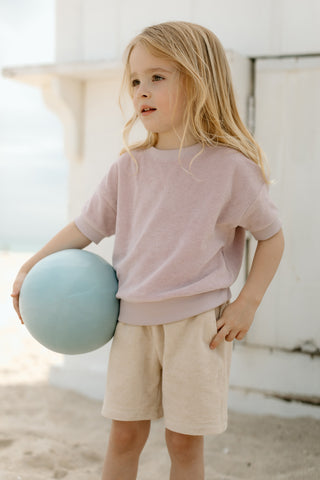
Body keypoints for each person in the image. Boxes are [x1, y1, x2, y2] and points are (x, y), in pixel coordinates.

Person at [12, 21, 284, 480]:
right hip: (132, 324)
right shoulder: (129, 168)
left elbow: (272, 236)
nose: (142, 90)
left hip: (197, 327)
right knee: (124, 435)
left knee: (182, 442)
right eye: (136, 80)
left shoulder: (232, 169)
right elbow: (85, 227)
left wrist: (247, 304)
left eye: (158, 77)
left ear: (200, 79)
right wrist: (30, 267)